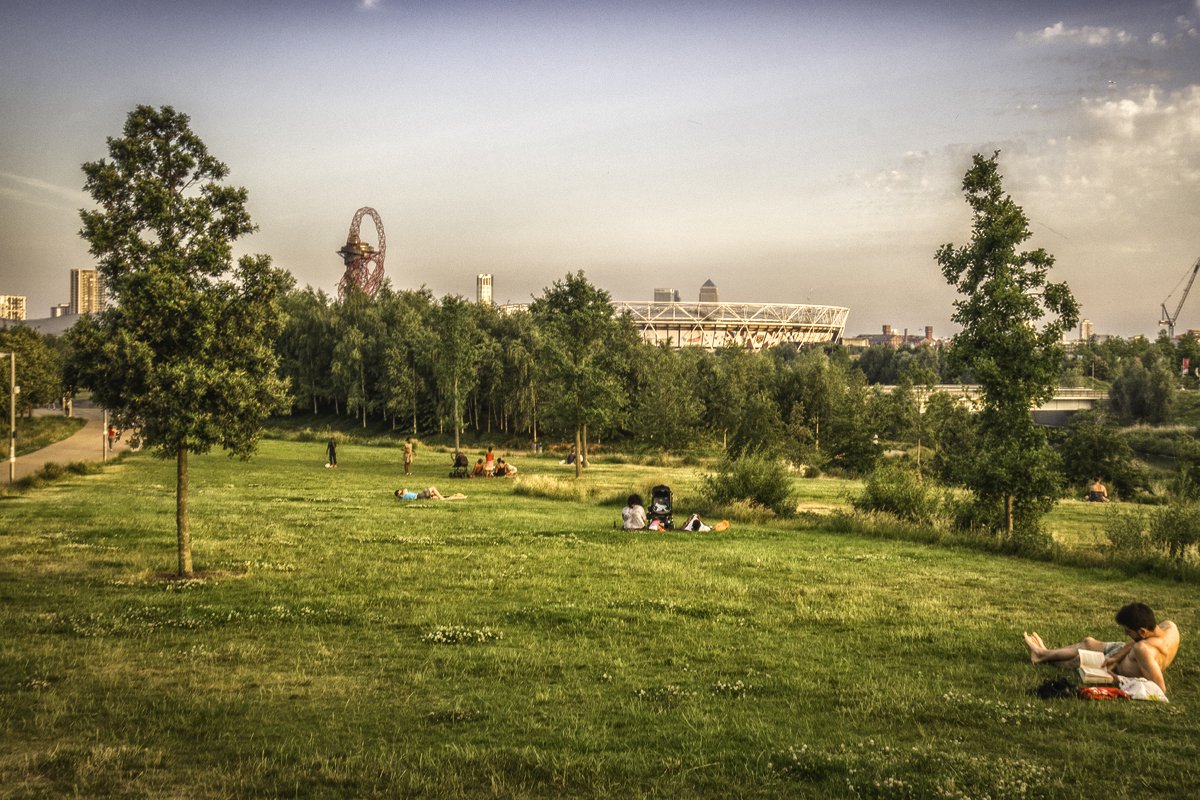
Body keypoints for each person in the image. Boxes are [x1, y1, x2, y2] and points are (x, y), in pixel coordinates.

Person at [1022, 602, 1180, 695]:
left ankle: (1043, 656)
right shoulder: (1170, 627)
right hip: (1120, 655)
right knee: (1088, 642)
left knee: (1077, 661)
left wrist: (1119, 679)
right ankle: (1043, 653)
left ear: (1142, 631)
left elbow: (1160, 688)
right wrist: (1116, 657)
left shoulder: (1143, 649)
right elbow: (1141, 641)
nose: (1127, 634)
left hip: (1116, 670)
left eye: (1128, 631)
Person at [395, 486, 466, 501]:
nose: (401, 491)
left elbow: (405, 490)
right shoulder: (403, 496)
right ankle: (442, 498)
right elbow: (405, 489)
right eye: (399, 492)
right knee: (433, 488)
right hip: (420, 496)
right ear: (398, 495)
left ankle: (459, 497)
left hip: (420, 496)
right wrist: (401, 492)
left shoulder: (403, 496)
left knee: (436, 496)